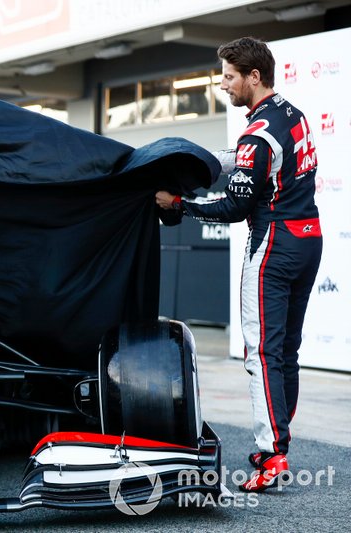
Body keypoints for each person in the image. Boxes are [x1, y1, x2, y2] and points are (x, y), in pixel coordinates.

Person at [156, 37, 322, 493]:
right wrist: (203, 160)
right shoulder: (291, 113)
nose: (222, 84)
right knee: (285, 350)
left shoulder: (258, 131)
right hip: (309, 238)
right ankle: (279, 445)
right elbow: (248, 162)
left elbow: (233, 206)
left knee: (261, 354)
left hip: (273, 245)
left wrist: (180, 202)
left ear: (254, 76)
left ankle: (272, 455)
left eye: (229, 76)